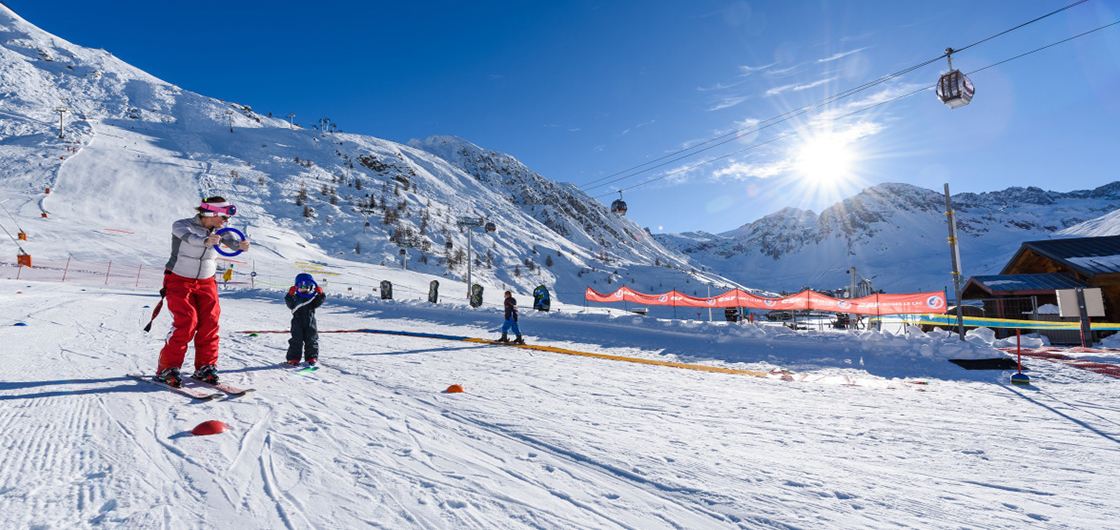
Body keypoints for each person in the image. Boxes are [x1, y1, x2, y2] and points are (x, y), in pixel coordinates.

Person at [154, 197, 250, 387]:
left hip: (207, 282)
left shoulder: (221, 232)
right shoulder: (182, 225)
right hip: (179, 280)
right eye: (223, 216)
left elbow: (231, 242)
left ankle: (205, 366)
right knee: (187, 321)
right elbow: (188, 238)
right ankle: (167, 368)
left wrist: (240, 245)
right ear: (212, 213)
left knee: (210, 322)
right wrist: (206, 240)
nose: (226, 221)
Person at [284, 273, 326, 366]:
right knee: (296, 340)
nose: (303, 288)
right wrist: (290, 295)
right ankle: (293, 358)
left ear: (310, 287)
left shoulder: (311, 298)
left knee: (311, 339)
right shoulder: (295, 298)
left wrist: (320, 294)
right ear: (296, 287)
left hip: (310, 322)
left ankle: (311, 357)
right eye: (300, 286)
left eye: (306, 286)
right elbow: (290, 304)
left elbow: (317, 303)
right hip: (297, 322)